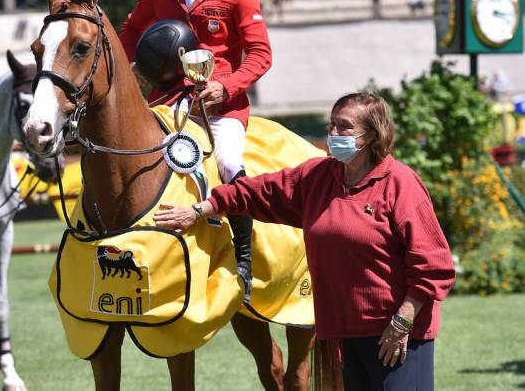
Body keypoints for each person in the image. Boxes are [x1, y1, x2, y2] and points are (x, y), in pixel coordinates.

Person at [155, 92, 455, 390]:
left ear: (371, 135)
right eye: (332, 125)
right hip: (345, 332)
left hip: (396, 332)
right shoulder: (318, 177)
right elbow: (254, 192)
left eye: (344, 127)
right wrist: (199, 209)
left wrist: (402, 323)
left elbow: (434, 265)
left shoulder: (400, 183)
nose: (333, 134)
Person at [120, 0, 272, 301]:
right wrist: (130, 65)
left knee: (228, 163)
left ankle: (242, 255)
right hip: (167, 98)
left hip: (219, 103)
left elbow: (260, 53)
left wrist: (229, 86)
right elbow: (131, 29)